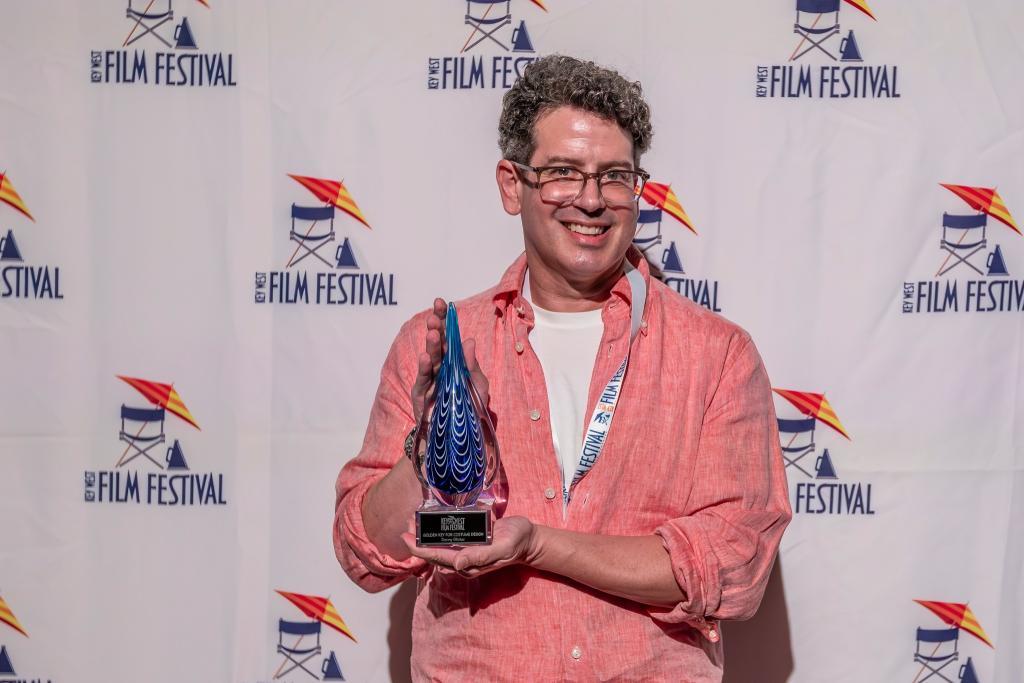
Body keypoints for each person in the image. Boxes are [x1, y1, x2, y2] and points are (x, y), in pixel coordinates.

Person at [334, 55, 791, 681]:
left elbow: (733, 565)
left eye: (614, 176)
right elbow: (367, 554)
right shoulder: (437, 344)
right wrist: (429, 448)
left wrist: (540, 544)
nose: (591, 200)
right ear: (510, 184)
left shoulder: (717, 355)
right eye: (562, 172)